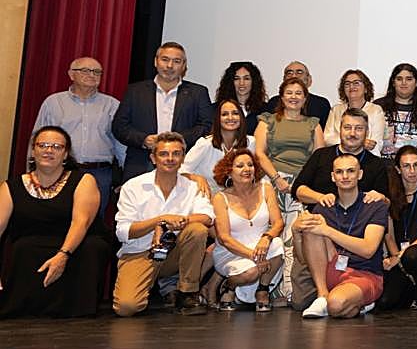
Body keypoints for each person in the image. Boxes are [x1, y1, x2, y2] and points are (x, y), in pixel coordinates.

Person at [0, 127, 108, 318]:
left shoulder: (83, 180)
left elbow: (80, 223)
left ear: (65, 154)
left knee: (92, 247)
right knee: (22, 248)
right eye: (43, 145)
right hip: (31, 244)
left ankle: (78, 311)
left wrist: (63, 255)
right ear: (33, 151)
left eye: (57, 147)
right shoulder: (11, 186)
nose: (49, 150)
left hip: (76, 242)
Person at [290, 108, 390, 310]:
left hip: (358, 246)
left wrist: (382, 198)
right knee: (300, 303)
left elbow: (385, 203)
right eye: (348, 127)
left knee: (337, 304)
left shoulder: (376, 165)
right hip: (320, 247)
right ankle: (323, 294)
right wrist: (320, 199)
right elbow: (297, 189)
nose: (352, 133)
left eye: (359, 128)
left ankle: (351, 298)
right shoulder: (321, 156)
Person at [112, 132, 215, 316]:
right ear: (153, 158)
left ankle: (187, 293)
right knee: (127, 308)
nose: (170, 159)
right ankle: (157, 285)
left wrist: (178, 221)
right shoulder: (133, 187)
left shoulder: (192, 187)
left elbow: (208, 217)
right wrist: (159, 221)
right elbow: (123, 231)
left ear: (183, 157)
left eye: (176, 154)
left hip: (173, 253)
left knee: (197, 229)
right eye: (164, 154)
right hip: (140, 253)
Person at [254, 77, 324, 300]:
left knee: (293, 240)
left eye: (298, 93)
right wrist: (276, 179)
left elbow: (318, 156)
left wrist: (300, 184)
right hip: (271, 183)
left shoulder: (313, 123)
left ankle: (288, 292)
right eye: (289, 93)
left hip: (301, 186)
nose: (294, 97)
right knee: (268, 234)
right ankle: (263, 289)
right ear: (281, 96)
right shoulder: (268, 121)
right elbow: (259, 153)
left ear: (305, 98)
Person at [296, 153, 389, 318]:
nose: (345, 176)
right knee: (312, 225)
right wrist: (296, 232)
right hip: (332, 271)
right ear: (333, 177)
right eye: (339, 172)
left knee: (336, 304)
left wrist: (328, 231)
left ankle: (356, 303)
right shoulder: (324, 206)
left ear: (359, 174)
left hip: (365, 274)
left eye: (350, 171)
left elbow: (368, 249)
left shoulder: (375, 205)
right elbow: (304, 258)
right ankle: (322, 295)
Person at [33, 56, 125, 215]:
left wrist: (126, 176)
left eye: (97, 72)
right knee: (55, 217)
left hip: (99, 174)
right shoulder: (53, 102)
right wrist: (34, 171)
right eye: (85, 70)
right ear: (71, 74)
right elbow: (38, 138)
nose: (92, 75)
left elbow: (120, 144)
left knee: (93, 222)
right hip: (60, 170)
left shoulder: (112, 105)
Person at [112, 42, 213, 177]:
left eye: (176, 61)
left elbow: (207, 126)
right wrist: (144, 140)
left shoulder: (198, 92)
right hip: (141, 163)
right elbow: (119, 126)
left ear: (184, 66)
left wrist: (177, 140)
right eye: (165, 59)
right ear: (156, 61)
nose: (170, 66)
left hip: (183, 163)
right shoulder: (135, 91)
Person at [209, 148, 284, 312]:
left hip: (260, 246)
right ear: (229, 172)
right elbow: (224, 238)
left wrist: (266, 238)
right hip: (231, 251)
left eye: (250, 165)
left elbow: (278, 223)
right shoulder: (220, 198)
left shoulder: (266, 188)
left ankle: (262, 290)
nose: (247, 169)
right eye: (240, 166)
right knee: (250, 273)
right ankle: (228, 286)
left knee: (278, 244)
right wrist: (254, 256)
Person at [378, 145, 417, 310]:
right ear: (398, 169)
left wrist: (400, 257)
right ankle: (409, 289)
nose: (412, 171)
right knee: (386, 301)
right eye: (406, 166)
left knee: (413, 256)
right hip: (399, 257)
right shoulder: (391, 192)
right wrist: (397, 259)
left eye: (416, 165)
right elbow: (389, 235)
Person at [181, 99, 255, 194]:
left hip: (236, 197)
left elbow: (255, 174)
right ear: (217, 119)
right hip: (206, 196)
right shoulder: (205, 144)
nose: (230, 117)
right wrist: (196, 178)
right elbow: (180, 171)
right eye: (224, 114)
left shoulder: (251, 142)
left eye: (235, 113)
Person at [377, 62, 417, 165]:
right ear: (393, 82)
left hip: (415, 176)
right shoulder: (378, 107)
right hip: (383, 174)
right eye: (399, 79)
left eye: (409, 79)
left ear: (416, 83)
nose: (404, 83)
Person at [324, 69, 385, 154]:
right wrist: (360, 142)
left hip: (366, 159)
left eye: (356, 83)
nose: (351, 87)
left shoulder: (376, 110)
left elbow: (376, 144)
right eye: (347, 84)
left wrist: (343, 140)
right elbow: (328, 139)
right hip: (339, 157)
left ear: (366, 88)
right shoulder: (336, 110)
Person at [265, 61, 332, 128]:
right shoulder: (273, 102)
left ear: (309, 80)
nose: (294, 76)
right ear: (284, 79)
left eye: (299, 72)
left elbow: (325, 134)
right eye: (289, 73)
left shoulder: (321, 104)